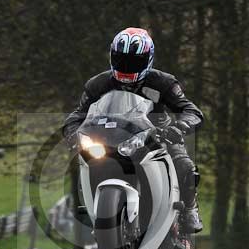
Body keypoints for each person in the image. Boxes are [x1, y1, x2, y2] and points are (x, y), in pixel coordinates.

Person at [63, 27, 205, 233]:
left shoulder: (163, 82)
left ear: (148, 59)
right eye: (122, 60)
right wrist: (73, 133)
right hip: (111, 139)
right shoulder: (98, 85)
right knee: (83, 160)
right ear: (112, 56)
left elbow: (191, 110)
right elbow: (77, 115)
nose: (127, 66)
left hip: (157, 138)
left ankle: (190, 209)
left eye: (134, 62)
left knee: (184, 167)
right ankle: (93, 211)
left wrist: (180, 126)